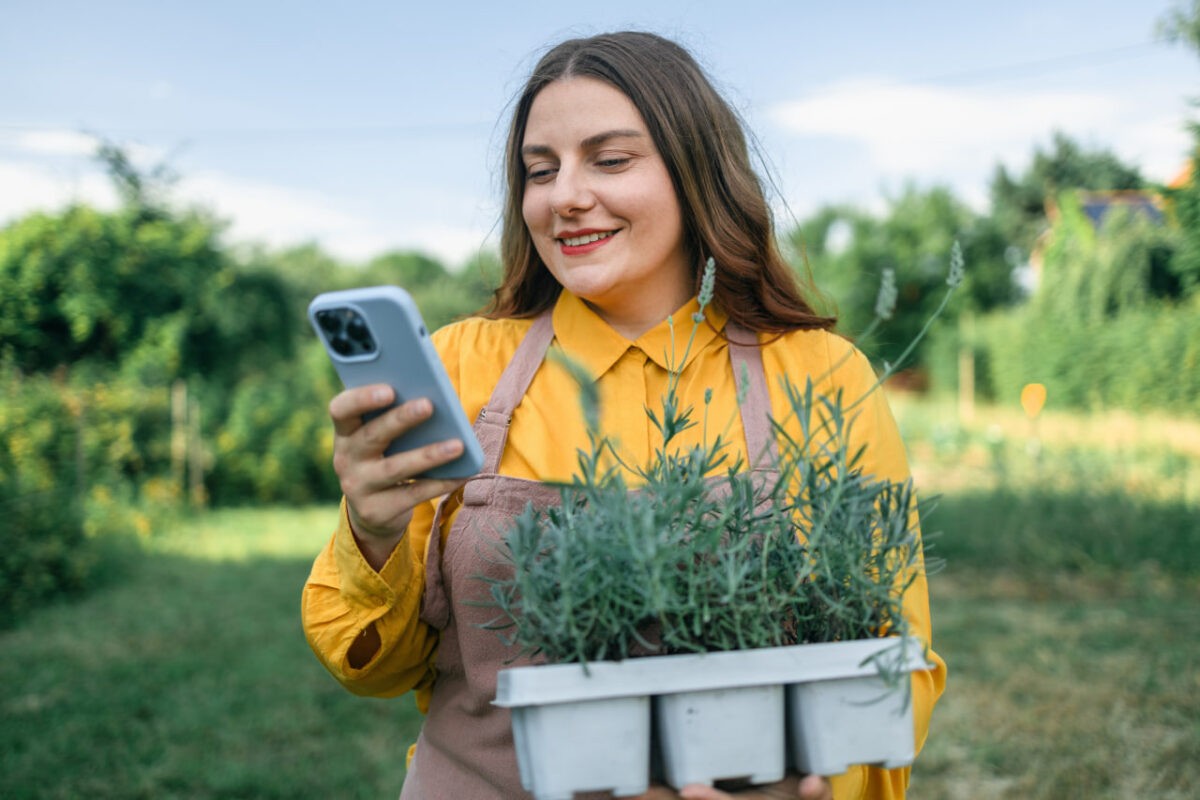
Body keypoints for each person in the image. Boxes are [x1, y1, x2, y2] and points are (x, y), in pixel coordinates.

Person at [302, 30, 946, 800]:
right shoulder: (464, 366)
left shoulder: (821, 375)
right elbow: (377, 666)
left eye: (609, 160)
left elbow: (890, 665)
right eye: (540, 171)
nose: (564, 195)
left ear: (695, 171)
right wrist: (372, 533)